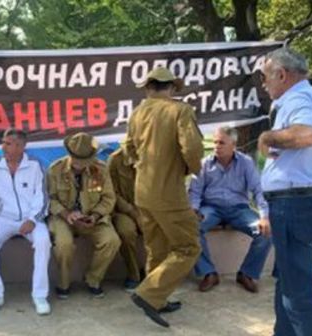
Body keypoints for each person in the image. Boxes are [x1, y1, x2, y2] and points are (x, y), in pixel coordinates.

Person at [258, 48, 312, 336]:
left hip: (293, 206)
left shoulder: (295, 99)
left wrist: (267, 137)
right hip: (310, 200)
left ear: (281, 74)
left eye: (264, 76)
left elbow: (310, 134)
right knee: (289, 280)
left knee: (298, 295)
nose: (263, 84)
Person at [124, 67, 204, 328]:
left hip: (143, 191)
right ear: (171, 88)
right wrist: (192, 168)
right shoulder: (180, 110)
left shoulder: (137, 113)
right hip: (169, 193)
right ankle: (149, 294)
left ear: (149, 88)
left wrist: (142, 165)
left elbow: (128, 148)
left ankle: (157, 298)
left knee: (156, 248)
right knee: (188, 247)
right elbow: (192, 148)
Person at [0, 128, 51, 316]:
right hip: (4, 218)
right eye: (3, 142)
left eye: (8, 143)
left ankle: (40, 296)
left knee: (43, 241)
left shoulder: (35, 165)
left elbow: (42, 197)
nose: (3, 146)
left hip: (32, 218)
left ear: (20, 146)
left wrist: (32, 220)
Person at [188, 126, 271, 293]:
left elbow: (258, 190)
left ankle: (247, 273)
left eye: (222, 143)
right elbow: (195, 192)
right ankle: (208, 273)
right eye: (215, 142)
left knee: (265, 232)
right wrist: (194, 210)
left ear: (233, 144)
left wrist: (264, 216)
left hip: (239, 209)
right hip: (210, 208)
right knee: (190, 229)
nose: (217, 146)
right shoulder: (204, 164)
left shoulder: (246, 163)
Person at [47, 132, 120, 299]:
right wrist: (66, 214)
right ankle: (64, 283)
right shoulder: (55, 170)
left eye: (85, 159)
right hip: (63, 218)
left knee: (111, 241)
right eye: (77, 159)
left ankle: (93, 279)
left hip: (91, 218)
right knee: (64, 244)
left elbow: (109, 198)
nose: (81, 164)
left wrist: (94, 215)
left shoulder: (100, 169)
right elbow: (50, 199)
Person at [107, 146, 146, 292]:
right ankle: (133, 274)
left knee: (161, 229)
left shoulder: (154, 154)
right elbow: (112, 193)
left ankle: (153, 272)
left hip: (149, 208)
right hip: (123, 210)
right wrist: (134, 213)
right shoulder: (115, 160)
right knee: (126, 231)